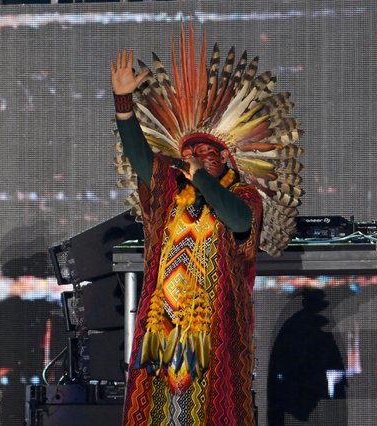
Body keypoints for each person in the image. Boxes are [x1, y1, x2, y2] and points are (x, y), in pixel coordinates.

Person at [109, 27, 303, 425]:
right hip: (164, 324)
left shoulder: (244, 195)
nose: (196, 156)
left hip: (214, 328)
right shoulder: (168, 193)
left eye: (206, 151)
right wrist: (123, 104)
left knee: (211, 411)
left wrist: (201, 178)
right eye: (189, 152)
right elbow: (140, 157)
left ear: (226, 156)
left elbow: (236, 219)